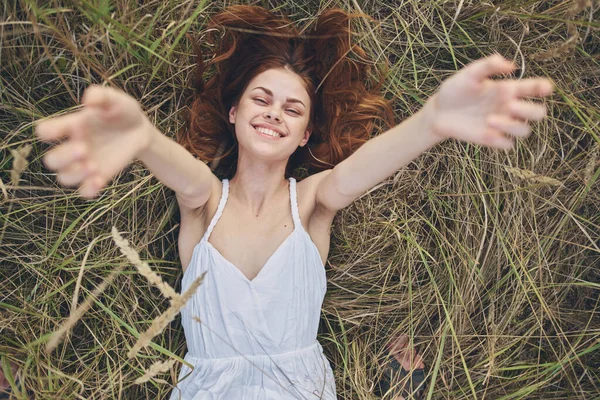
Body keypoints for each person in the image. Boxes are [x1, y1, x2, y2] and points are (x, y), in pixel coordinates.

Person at [33, 4, 553, 400]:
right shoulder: (204, 204)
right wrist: (144, 138)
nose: (274, 113)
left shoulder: (310, 203)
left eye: (292, 108)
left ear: (304, 135)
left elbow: (352, 177)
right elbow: (186, 177)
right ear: (234, 113)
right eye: (261, 99)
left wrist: (432, 121)